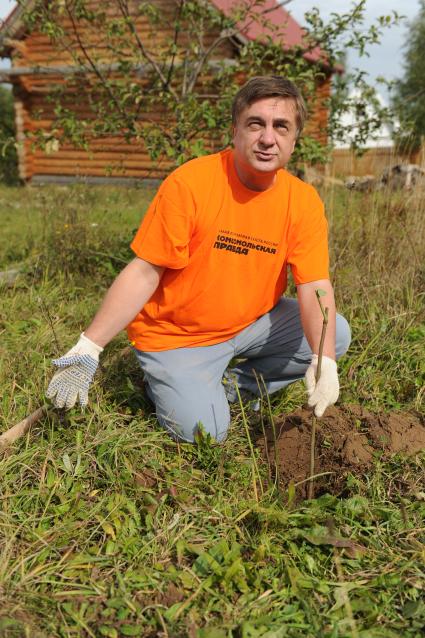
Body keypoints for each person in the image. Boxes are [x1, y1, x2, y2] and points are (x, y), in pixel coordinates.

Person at [46, 76, 351, 443]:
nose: (268, 138)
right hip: (177, 337)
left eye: (281, 126)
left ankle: (229, 389)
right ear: (235, 130)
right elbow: (144, 271)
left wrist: (326, 361)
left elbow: (315, 285)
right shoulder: (191, 183)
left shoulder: (302, 201)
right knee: (205, 432)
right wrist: (89, 347)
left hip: (250, 324)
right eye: (256, 124)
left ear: (294, 138)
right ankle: (168, 385)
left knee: (334, 337)